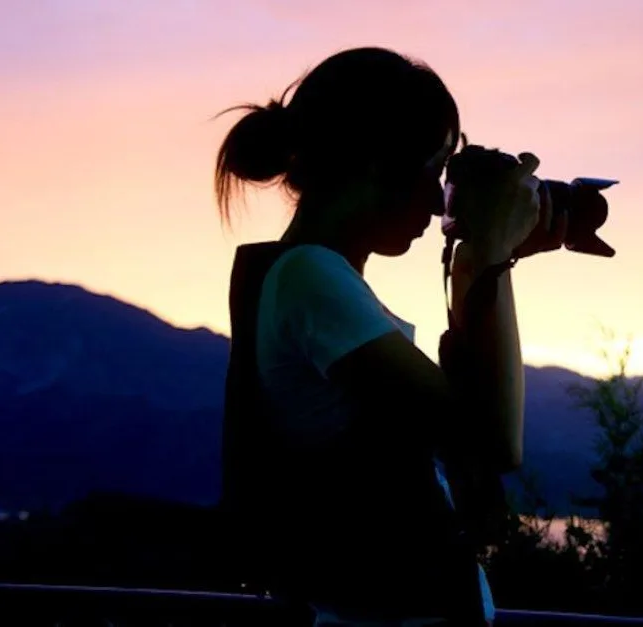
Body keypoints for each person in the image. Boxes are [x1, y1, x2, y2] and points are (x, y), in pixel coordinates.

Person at [214, 47, 567, 626]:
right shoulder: (311, 278)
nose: (435, 200)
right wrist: (490, 252)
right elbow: (492, 440)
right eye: (434, 169)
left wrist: (481, 260)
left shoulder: (312, 278)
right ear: (376, 163)